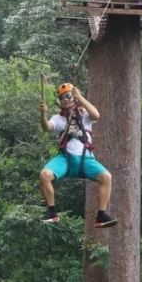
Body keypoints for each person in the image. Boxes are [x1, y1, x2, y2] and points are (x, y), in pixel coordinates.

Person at [38, 82, 117, 227]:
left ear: (74, 97)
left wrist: (80, 97)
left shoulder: (85, 115)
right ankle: (52, 213)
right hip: (65, 159)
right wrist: (43, 114)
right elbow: (46, 127)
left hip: (85, 159)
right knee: (44, 175)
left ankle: (101, 216)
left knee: (106, 177)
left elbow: (96, 115)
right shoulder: (59, 119)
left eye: (68, 96)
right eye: (62, 98)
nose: (66, 99)